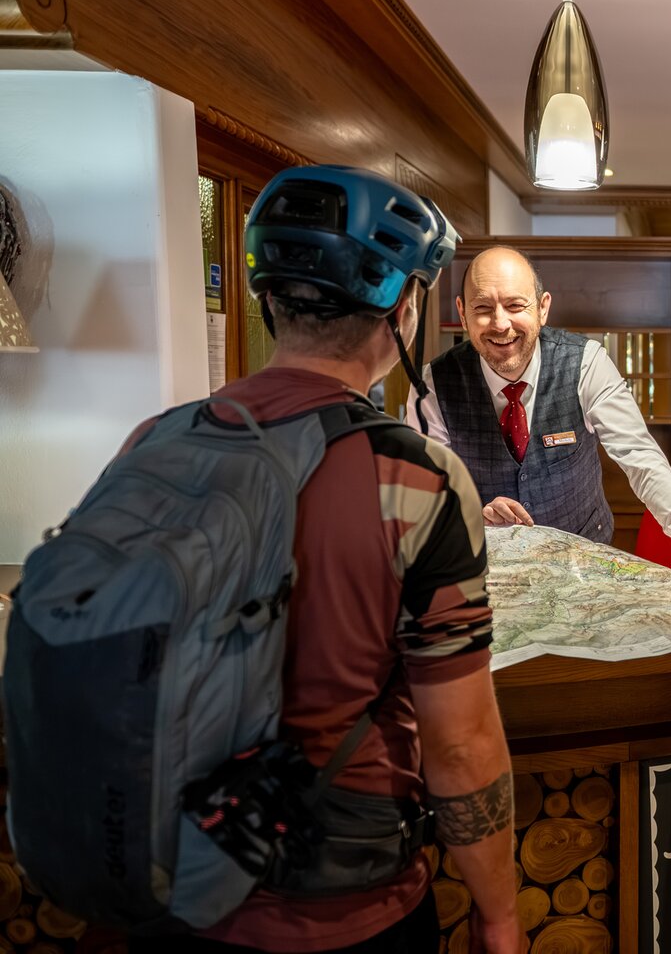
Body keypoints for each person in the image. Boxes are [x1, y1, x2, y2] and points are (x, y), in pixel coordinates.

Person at [133, 167, 525, 954]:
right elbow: (460, 743)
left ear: (269, 301)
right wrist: (498, 913)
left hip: (179, 884)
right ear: (405, 310)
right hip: (348, 906)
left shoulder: (154, 444)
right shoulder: (413, 477)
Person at [407, 245, 671, 585]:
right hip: (487, 571)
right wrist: (471, 514)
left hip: (586, 565)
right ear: (463, 312)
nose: (500, 324)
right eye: (483, 307)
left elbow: (642, 460)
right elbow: (423, 493)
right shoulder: (432, 384)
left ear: (543, 308)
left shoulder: (587, 363)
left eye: (516, 305)